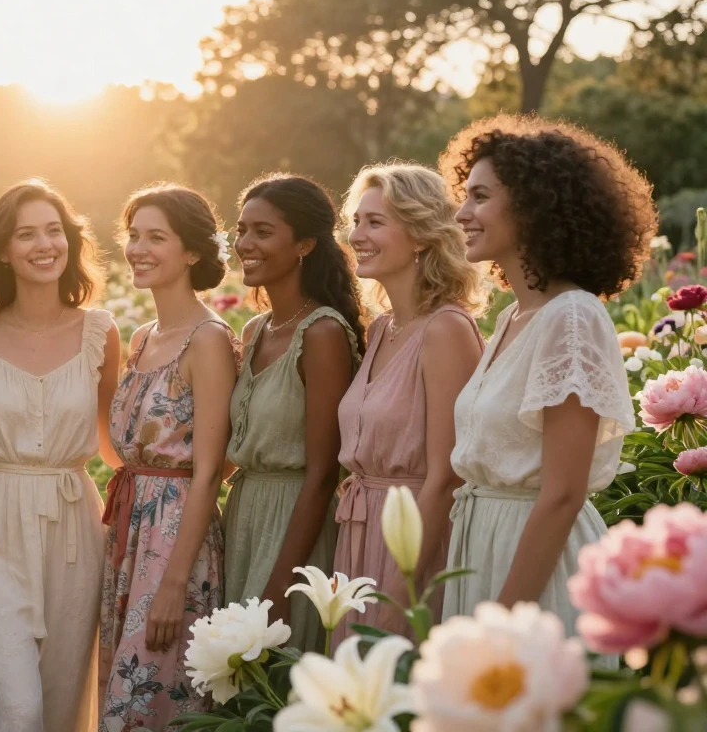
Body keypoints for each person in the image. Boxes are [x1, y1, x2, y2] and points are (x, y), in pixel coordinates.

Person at [439, 114, 654, 640]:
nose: (462, 213)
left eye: (480, 197)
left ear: (534, 207)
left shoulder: (572, 317)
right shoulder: (514, 317)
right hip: (483, 546)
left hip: (534, 567)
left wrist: (505, 619)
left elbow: (562, 494)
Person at [0, 179, 119, 732]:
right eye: (27, 234)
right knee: (15, 709)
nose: (44, 244)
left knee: (61, 705)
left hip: (75, 524)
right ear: (3, 249)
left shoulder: (101, 331)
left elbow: (115, 447)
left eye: (54, 231)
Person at [99, 184, 237, 732]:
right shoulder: (141, 338)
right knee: (124, 687)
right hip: (130, 531)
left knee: (155, 695)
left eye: (157, 237)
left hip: (175, 537)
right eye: (134, 236)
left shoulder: (207, 339)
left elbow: (210, 472)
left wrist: (175, 583)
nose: (139, 249)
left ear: (193, 252)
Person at [332, 163, 484, 644]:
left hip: (414, 538)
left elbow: (447, 476)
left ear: (420, 235)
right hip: (357, 535)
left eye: (376, 223)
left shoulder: (447, 329)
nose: (358, 234)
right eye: (357, 221)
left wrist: (403, 590)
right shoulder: (380, 330)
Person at [222, 174, 363, 653]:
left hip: (294, 527)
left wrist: (282, 587)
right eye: (241, 230)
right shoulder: (255, 330)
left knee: (277, 683)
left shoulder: (322, 333)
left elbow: (324, 473)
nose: (245, 244)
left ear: (304, 243)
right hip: (243, 518)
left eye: (263, 232)